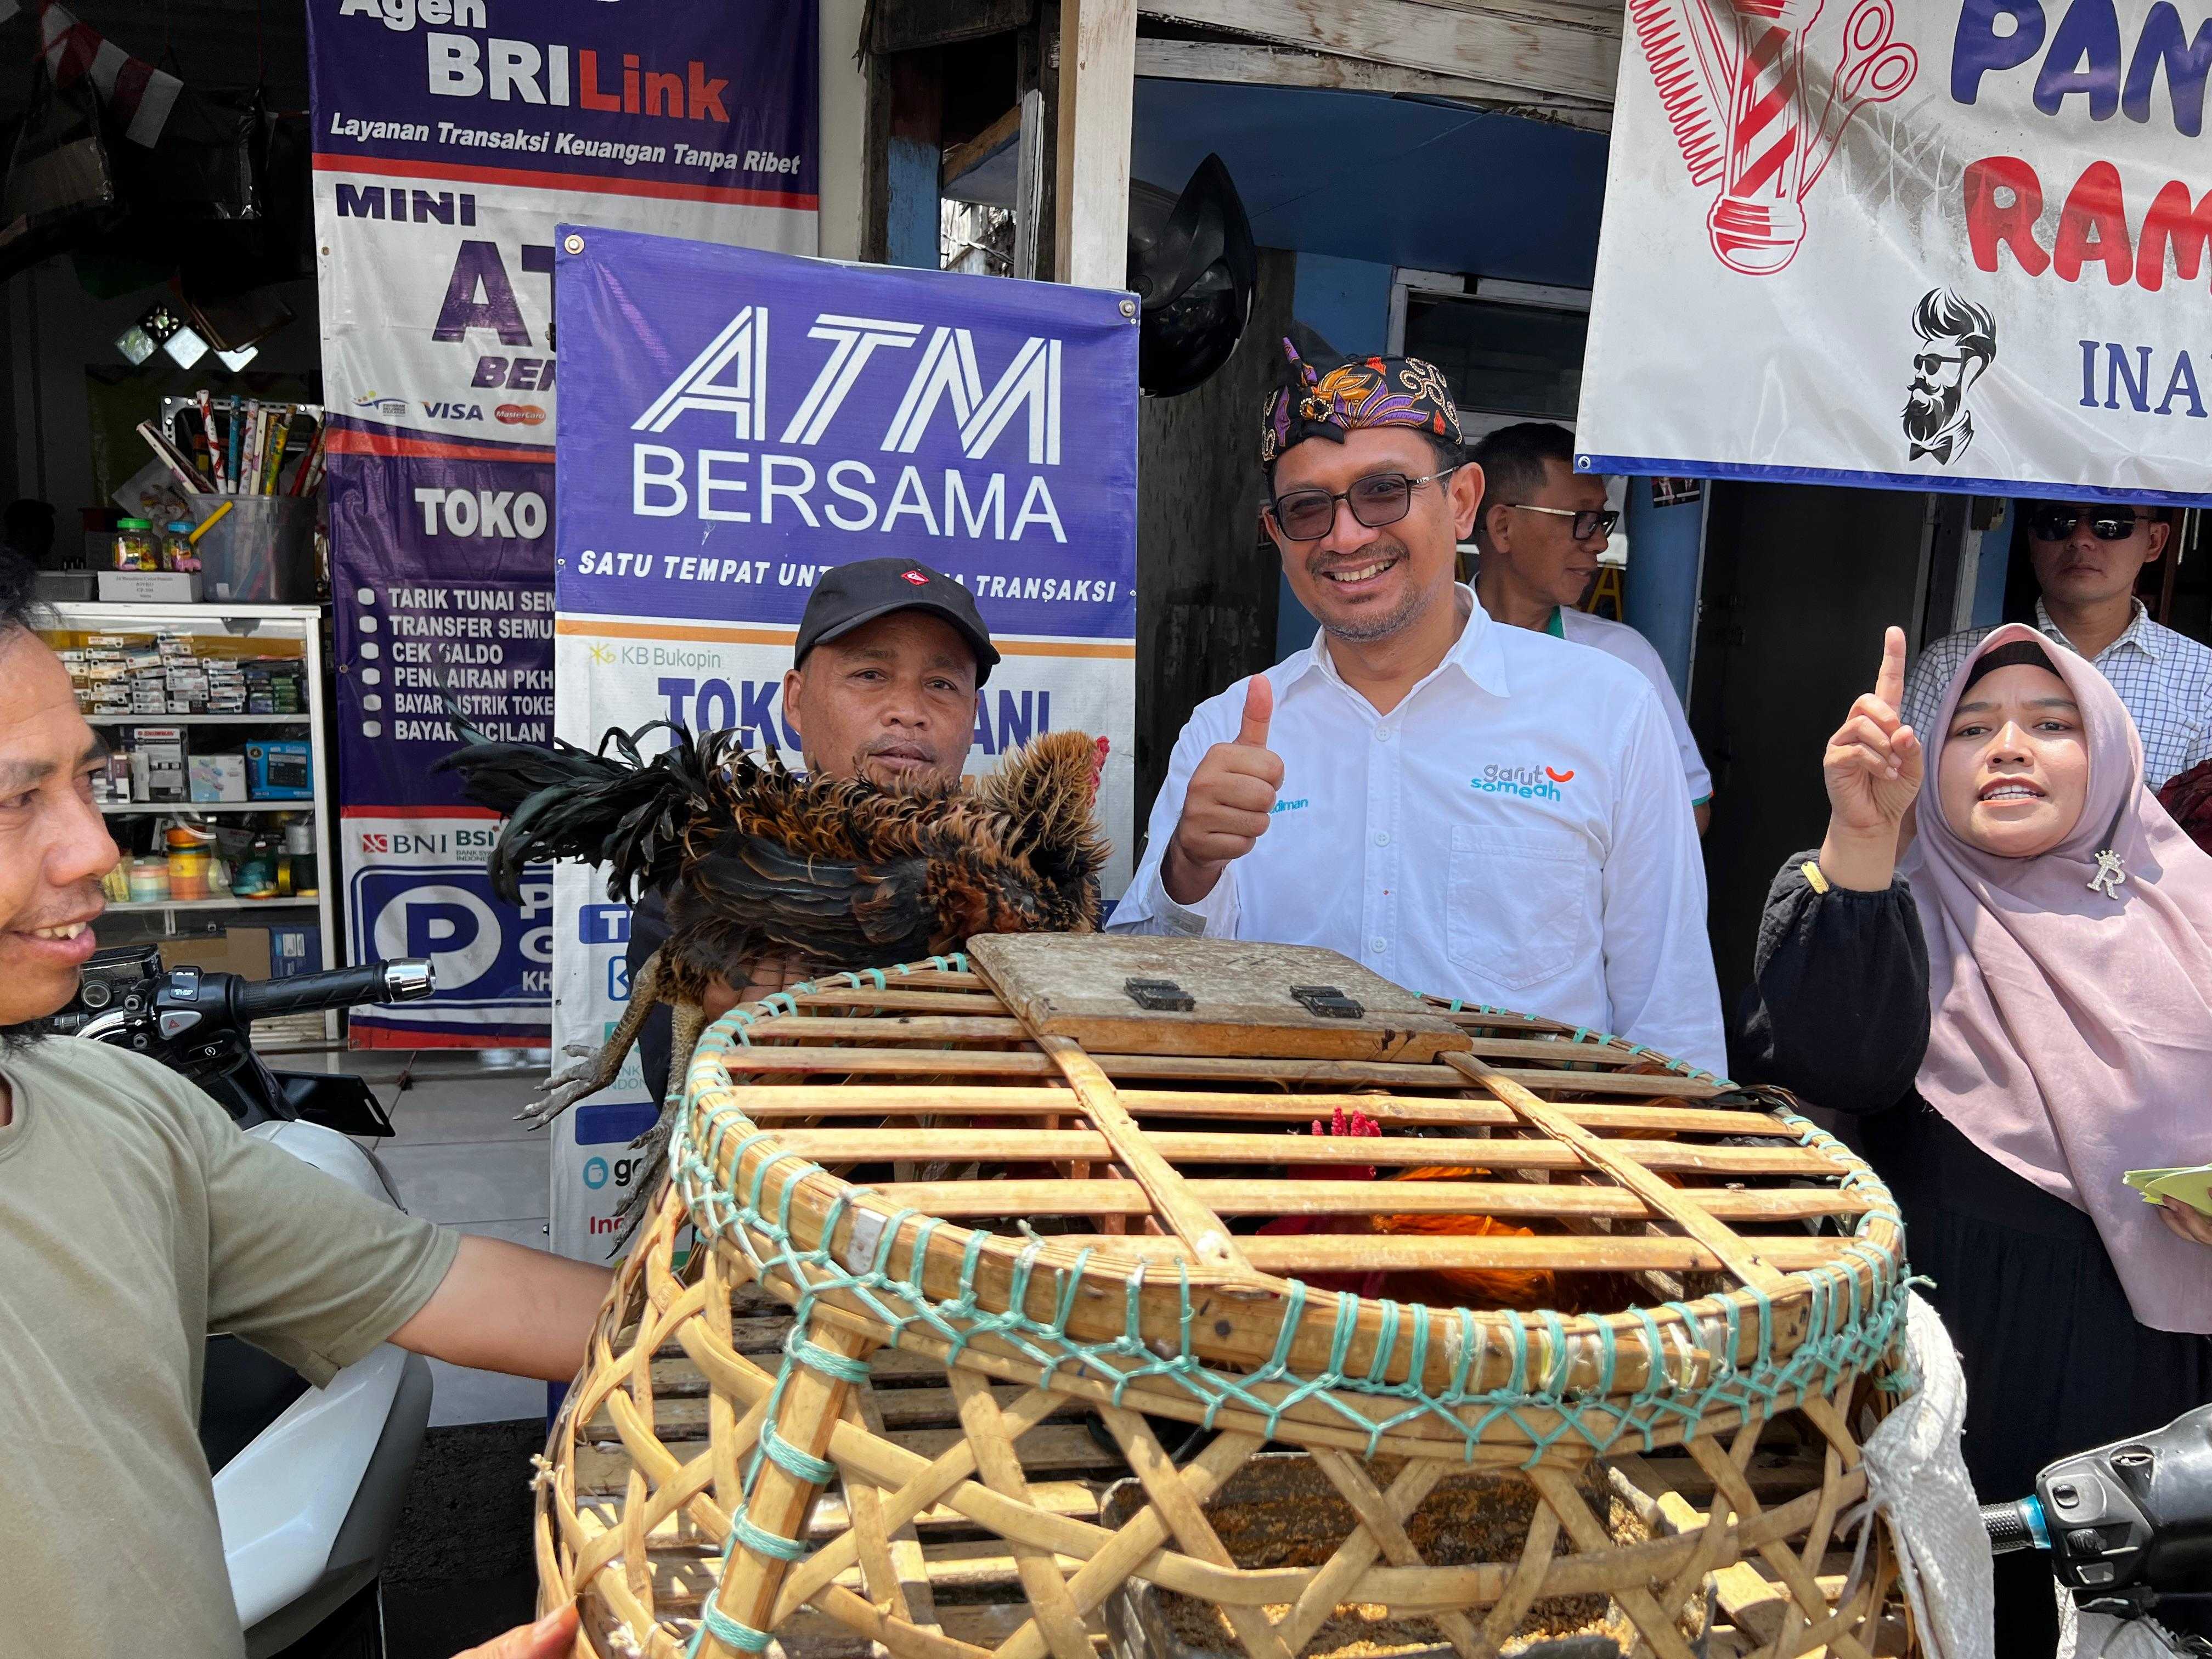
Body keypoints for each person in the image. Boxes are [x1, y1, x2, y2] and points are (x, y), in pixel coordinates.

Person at [0, 560, 608, 1659]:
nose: (96, 848)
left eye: (86, 783)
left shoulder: (120, 1113)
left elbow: (455, 1288)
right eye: (17, 800)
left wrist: (830, 1330)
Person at [1743, 623, 2212, 1657]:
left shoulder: (2197, 918)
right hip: (1945, 1417)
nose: (2009, 745)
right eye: (1971, 727)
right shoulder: (1893, 905)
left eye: (2051, 724)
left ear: (2111, 758)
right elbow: (1829, 1062)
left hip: (2157, 1418)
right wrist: (1860, 835)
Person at [1111, 345, 1726, 1074]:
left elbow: (1670, 1008)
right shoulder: (1227, 731)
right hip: (1287, 1169)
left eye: (1384, 492)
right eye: (1307, 508)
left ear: (1462, 502)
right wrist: (1189, 868)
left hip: (1535, 1176)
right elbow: (1139, 999)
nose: (1346, 536)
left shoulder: (1609, 712)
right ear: (1276, 535)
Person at [629, 557, 996, 1103]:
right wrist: (727, 1048)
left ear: (973, 716)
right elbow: (677, 1101)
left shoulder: (1014, 886)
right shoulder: (708, 873)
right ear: (796, 700)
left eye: (941, 684)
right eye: (871, 675)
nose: (908, 711)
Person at [1466, 422, 1713, 833]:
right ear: (1503, 527)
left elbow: (1689, 811)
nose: (1599, 543)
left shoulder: (1622, 659)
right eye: (1582, 519)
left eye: (1602, 521)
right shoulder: (1424, 650)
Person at [1904, 499, 2212, 789]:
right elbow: (1909, 800)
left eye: (2111, 522)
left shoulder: (2203, 677)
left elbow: (2200, 830)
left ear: (2154, 541)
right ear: (2032, 541)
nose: (2080, 539)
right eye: (2057, 521)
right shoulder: (1953, 662)